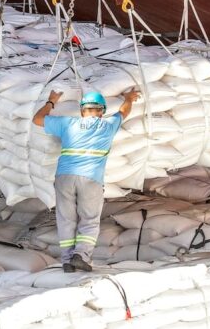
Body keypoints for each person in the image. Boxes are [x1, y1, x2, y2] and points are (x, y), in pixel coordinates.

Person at [32, 87, 140, 272]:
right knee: (89, 219)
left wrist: (51, 101)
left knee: (66, 219)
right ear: (102, 111)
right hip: (91, 179)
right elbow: (124, 111)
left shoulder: (68, 123)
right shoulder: (108, 125)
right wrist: (128, 97)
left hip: (64, 177)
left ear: (82, 110)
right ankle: (81, 255)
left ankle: (67, 261)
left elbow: (37, 119)